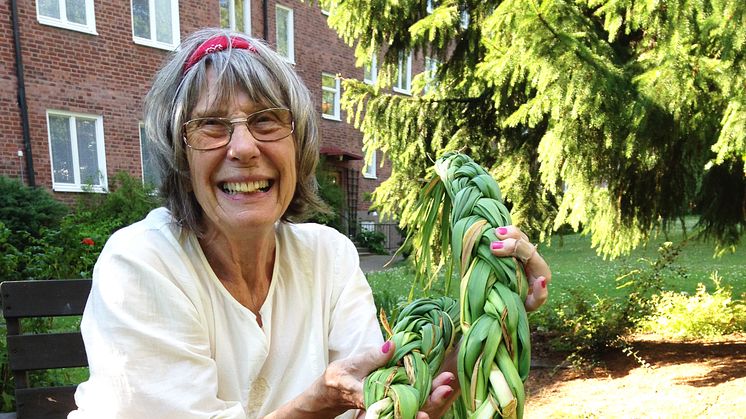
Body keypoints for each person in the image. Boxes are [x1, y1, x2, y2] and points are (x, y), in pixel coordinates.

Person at [69, 28, 551, 418]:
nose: (243, 148)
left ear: (297, 150)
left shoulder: (327, 255)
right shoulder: (141, 263)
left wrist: (497, 315)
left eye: (267, 121)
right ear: (179, 152)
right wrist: (314, 406)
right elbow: (334, 399)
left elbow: (373, 384)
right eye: (212, 125)